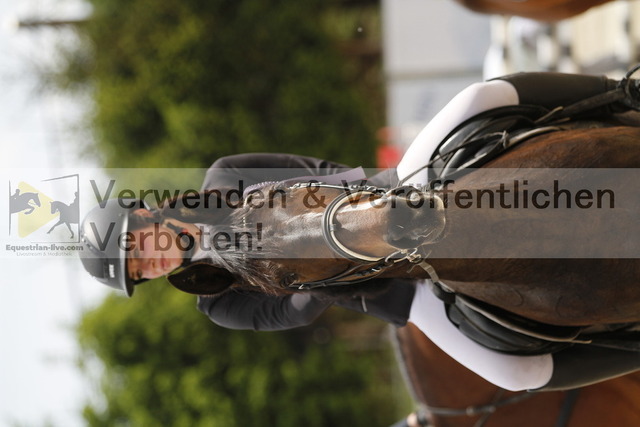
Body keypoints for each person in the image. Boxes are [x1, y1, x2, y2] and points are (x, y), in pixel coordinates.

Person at [80, 69, 640, 408]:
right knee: (519, 373)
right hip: (400, 292)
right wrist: (316, 268)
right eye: (139, 273)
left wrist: (360, 210)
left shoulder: (224, 176)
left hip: (384, 195)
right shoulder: (217, 302)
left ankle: (621, 93)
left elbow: (313, 170)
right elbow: (288, 315)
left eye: (136, 249)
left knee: (480, 97)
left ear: (144, 217)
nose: (149, 263)